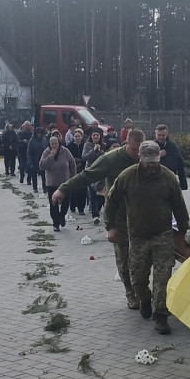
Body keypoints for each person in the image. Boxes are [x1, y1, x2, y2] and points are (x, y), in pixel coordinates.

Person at [106, 141, 189, 334]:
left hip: (163, 235)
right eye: (148, 161)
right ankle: (144, 299)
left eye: (155, 161)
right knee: (137, 277)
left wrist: (185, 231)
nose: (152, 165)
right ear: (140, 158)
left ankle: (161, 316)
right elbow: (111, 201)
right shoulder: (127, 177)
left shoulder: (168, 178)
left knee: (163, 277)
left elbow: (179, 206)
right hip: (138, 236)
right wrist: (110, 227)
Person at [55, 129, 144, 307]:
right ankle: (130, 293)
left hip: (142, 217)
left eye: (140, 150)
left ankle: (143, 291)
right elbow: (87, 175)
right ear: (126, 142)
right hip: (119, 217)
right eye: (134, 150)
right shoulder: (111, 159)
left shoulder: (147, 158)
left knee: (142, 258)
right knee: (124, 258)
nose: (137, 154)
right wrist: (63, 189)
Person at [40, 134, 77, 231]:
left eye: (56, 144)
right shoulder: (46, 152)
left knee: (65, 203)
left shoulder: (65, 151)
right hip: (52, 183)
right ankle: (56, 223)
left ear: (59, 143)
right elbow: (42, 166)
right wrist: (51, 155)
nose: (54, 146)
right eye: (52, 144)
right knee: (53, 204)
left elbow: (72, 164)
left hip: (65, 182)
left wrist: (73, 178)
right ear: (49, 144)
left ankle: (62, 216)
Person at [152, 124, 187, 190]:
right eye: (159, 135)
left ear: (167, 134)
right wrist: (158, 155)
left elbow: (180, 164)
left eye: (163, 135)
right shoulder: (150, 146)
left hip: (170, 181)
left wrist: (183, 184)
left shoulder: (172, 147)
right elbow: (144, 160)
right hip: (154, 181)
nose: (161, 137)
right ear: (155, 134)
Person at [63, 131, 88, 216]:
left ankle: (81, 208)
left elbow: (85, 156)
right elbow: (68, 158)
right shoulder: (70, 146)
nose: (77, 138)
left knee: (82, 189)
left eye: (79, 136)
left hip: (82, 169)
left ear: (81, 137)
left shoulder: (84, 145)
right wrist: (75, 161)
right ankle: (73, 206)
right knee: (73, 188)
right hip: (73, 170)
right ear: (73, 137)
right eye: (76, 136)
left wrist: (81, 162)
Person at [25, 128, 48, 193]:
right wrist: (29, 162)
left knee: (44, 175)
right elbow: (29, 152)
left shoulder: (44, 140)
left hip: (42, 160)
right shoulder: (31, 141)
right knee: (34, 175)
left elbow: (47, 150)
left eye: (40, 133)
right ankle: (35, 188)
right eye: (37, 133)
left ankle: (45, 187)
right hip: (34, 160)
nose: (39, 134)